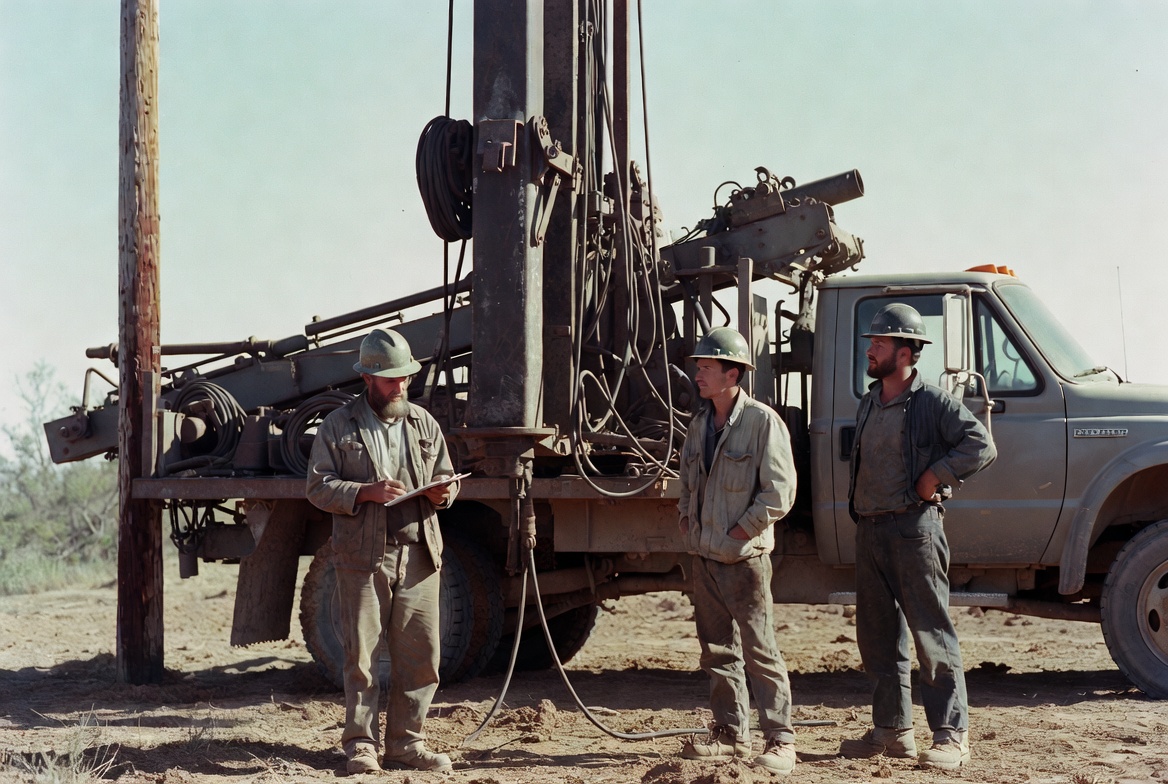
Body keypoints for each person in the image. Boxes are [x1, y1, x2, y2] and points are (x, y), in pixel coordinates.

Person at [841, 303, 996, 770]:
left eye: (879, 343)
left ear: (906, 352)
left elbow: (981, 444)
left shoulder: (931, 400)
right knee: (878, 638)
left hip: (914, 530)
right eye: (871, 342)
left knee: (931, 635)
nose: (870, 350)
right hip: (871, 529)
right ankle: (892, 731)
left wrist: (936, 475)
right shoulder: (870, 400)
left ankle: (951, 735)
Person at [306, 328, 460, 775]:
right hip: (363, 557)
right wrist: (364, 492)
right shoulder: (338, 425)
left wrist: (443, 493)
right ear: (368, 378)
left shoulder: (423, 423)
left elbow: (445, 476)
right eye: (391, 379)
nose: (400, 385)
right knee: (362, 658)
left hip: (419, 556)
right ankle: (361, 745)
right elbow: (317, 487)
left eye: (405, 377)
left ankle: (407, 745)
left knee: (421, 658)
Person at [676, 327, 799, 776]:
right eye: (699, 366)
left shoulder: (763, 422)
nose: (698, 374)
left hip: (745, 560)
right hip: (705, 558)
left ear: (733, 373)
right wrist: (687, 521)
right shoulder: (698, 425)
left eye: (707, 367)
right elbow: (687, 483)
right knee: (717, 651)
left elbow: (780, 492)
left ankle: (781, 740)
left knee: (759, 650)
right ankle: (730, 734)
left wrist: (741, 530)